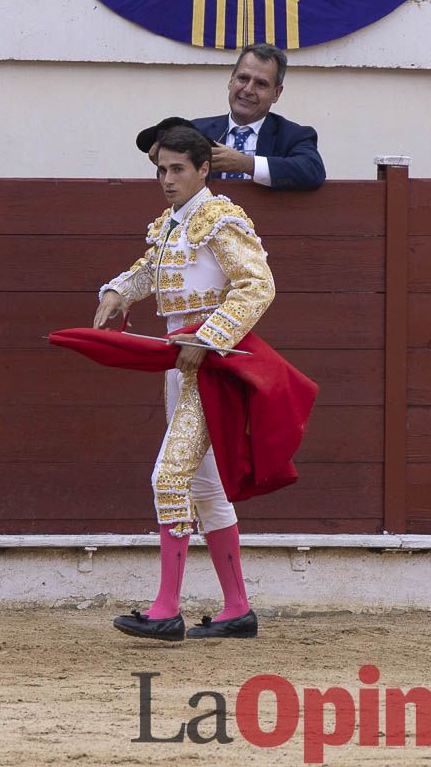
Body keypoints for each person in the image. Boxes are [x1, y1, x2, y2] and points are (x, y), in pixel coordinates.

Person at [94, 125, 275, 641]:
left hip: (212, 370)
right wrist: (118, 292)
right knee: (205, 488)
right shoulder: (171, 225)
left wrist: (211, 337)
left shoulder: (220, 219)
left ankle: (166, 610)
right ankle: (237, 610)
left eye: (177, 169)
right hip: (180, 367)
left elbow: (258, 285)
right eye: (161, 170)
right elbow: (149, 269)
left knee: (169, 478)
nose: (167, 179)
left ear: (203, 170)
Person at [192, 42, 325, 191]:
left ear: (276, 93)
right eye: (243, 78)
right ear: (231, 81)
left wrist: (246, 164)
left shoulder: (294, 136)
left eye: (261, 84)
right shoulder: (196, 132)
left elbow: (313, 170)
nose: (248, 90)